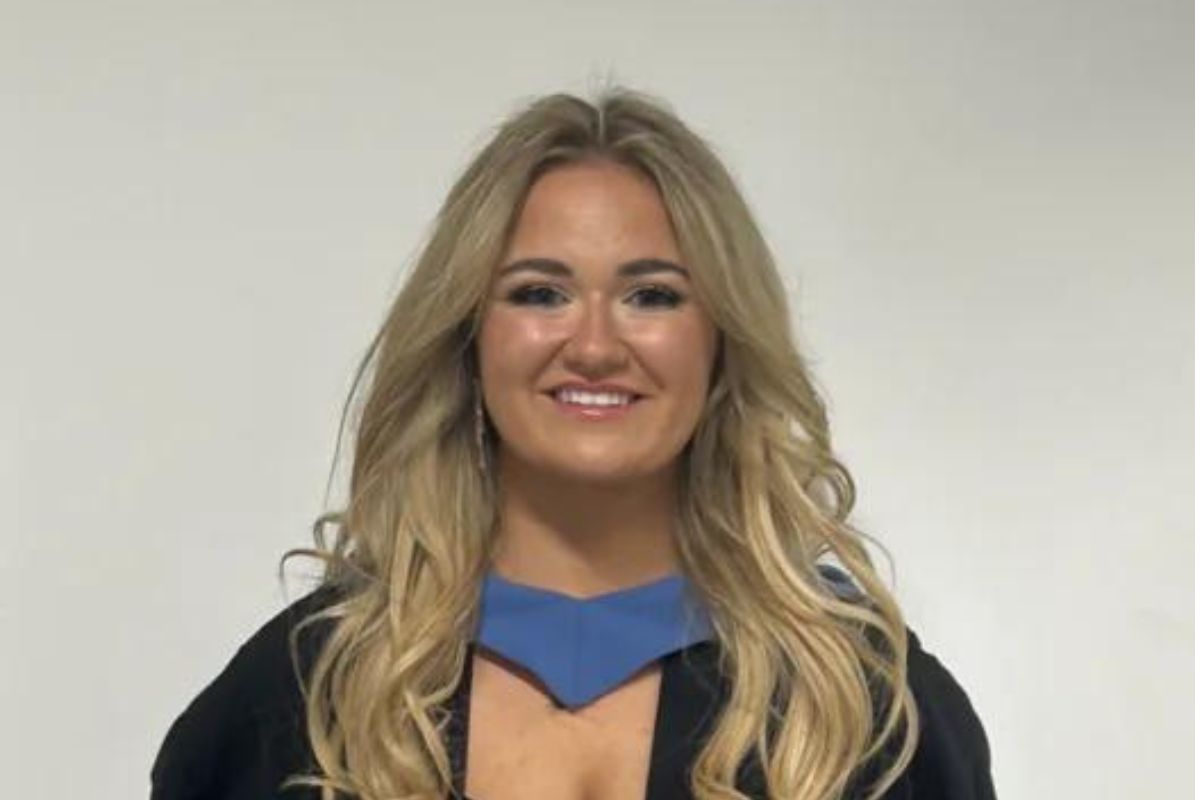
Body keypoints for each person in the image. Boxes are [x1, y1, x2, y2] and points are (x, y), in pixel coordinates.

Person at [150, 86, 996, 800]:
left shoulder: (861, 703)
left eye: (652, 296)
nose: (593, 346)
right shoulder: (313, 692)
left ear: (721, 343)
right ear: (469, 336)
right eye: (539, 293)